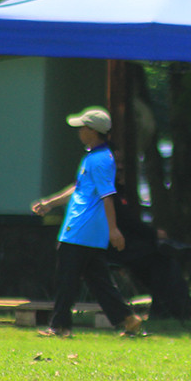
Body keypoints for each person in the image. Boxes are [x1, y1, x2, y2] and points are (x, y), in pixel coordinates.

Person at [31, 106, 144, 338]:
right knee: (98, 281)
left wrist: (113, 229)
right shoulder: (94, 157)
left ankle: (60, 326)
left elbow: (107, 196)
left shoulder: (99, 160)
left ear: (92, 131)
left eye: (82, 127)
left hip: (80, 229)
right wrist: (51, 203)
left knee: (67, 279)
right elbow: (78, 188)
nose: (79, 131)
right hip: (90, 232)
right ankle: (128, 319)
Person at [109, 181, 191, 322]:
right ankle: (178, 310)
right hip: (113, 248)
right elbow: (127, 222)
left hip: (121, 246)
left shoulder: (111, 191)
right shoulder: (108, 195)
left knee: (160, 260)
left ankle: (170, 309)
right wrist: (153, 234)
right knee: (162, 259)